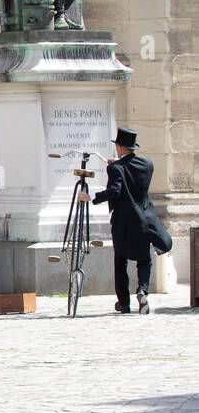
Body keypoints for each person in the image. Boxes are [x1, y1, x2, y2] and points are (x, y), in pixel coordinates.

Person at [79, 127, 162, 314]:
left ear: (121, 148)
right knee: (144, 259)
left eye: (117, 146)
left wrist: (91, 197)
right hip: (143, 218)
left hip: (123, 221)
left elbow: (116, 191)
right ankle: (142, 290)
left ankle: (124, 303)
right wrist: (117, 166)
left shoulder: (116, 168)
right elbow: (132, 173)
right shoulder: (148, 164)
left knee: (120, 260)